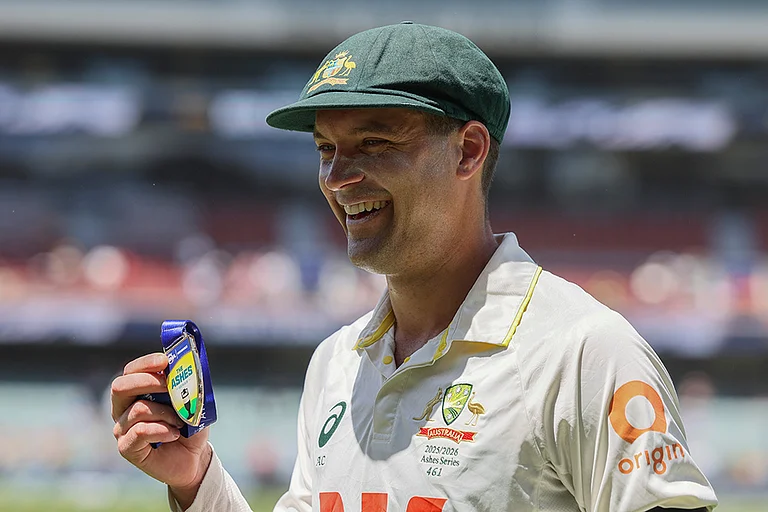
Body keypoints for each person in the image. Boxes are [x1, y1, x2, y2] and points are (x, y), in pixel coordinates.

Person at [111, 22, 718, 512]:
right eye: (326, 149)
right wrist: (196, 481)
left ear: (468, 151)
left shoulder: (583, 351)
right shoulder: (336, 362)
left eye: (376, 144)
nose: (338, 177)